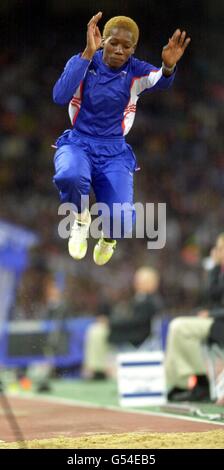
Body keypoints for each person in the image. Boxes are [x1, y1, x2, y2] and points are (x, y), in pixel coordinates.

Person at [52, 12, 190, 265]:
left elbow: (160, 80)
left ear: (133, 49)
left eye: (126, 46)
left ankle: (108, 238)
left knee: (123, 221)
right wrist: (86, 54)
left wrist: (168, 66)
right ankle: (81, 220)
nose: (119, 50)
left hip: (114, 153)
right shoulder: (84, 62)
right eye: (113, 43)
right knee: (69, 174)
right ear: (103, 40)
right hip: (78, 142)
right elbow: (60, 96)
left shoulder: (136, 71)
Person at [165, 233, 224, 402]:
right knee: (176, 327)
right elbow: (210, 295)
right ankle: (182, 383)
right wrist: (214, 267)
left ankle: (201, 382)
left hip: (219, 322)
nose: (216, 252)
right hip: (217, 322)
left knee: (179, 327)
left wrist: (211, 314)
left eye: (220, 248)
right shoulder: (219, 272)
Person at [83, 266, 164, 379]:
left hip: (136, 336)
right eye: (138, 280)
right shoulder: (140, 298)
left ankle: (98, 370)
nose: (138, 283)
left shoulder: (151, 301)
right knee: (97, 329)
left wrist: (110, 323)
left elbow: (136, 322)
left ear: (153, 283)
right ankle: (97, 368)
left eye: (143, 281)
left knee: (98, 331)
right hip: (129, 332)